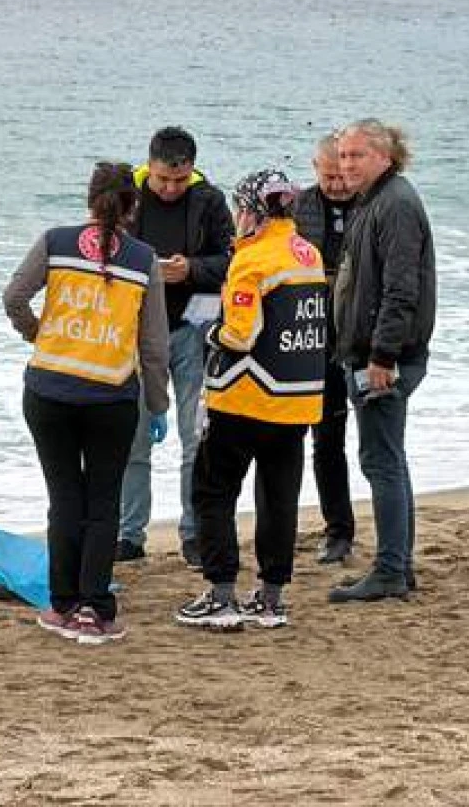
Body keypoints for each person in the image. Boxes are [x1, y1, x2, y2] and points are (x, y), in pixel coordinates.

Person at [4, 162, 171, 645]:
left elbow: (14, 296)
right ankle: (94, 608)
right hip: (110, 397)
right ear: (132, 207)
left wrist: (38, 334)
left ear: (89, 199)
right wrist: (157, 403)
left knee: (64, 499)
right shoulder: (143, 260)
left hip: (48, 390)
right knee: (103, 504)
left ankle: (61, 604)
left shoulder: (55, 242)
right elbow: (154, 345)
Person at [175, 169, 327, 631]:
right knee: (279, 499)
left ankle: (221, 596)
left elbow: (240, 336)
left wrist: (210, 330)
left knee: (213, 493)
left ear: (251, 212)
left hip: (244, 399)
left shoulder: (251, 260)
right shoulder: (309, 255)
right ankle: (271, 599)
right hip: (297, 400)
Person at [115, 126, 234, 568]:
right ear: (150, 165)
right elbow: (101, 251)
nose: (170, 188)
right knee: (132, 440)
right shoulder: (125, 194)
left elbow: (231, 261)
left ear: (192, 170)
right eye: (163, 179)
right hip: (135, 332)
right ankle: (129, 534)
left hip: (190, 328)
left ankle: (194, 533)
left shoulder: (210, 200)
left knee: (194, 437)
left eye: (179, 180)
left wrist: (191, 269)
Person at [329, 119, 436, 603]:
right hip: (371, 352)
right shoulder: (374, 200)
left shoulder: (395, 204)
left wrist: (382, 356)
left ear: (385, 156)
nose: (347, 164)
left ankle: (391, 570)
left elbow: (400, 289)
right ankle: (399, 565)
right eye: (343, 155)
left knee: (381, 461)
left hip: (385, 358)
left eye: (357, 155)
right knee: (389, 457)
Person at [292, 134, 358, 564]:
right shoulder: (298, 207)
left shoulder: (370, 206)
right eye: (327, 176)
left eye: (341, 176)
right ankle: (303, 525)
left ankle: (340, 531)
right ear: (315, 168)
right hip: (305, 336)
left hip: (352, 338)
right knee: (296, 439)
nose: (335, 185)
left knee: (333, 440)